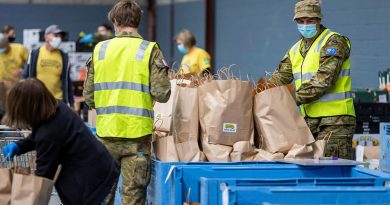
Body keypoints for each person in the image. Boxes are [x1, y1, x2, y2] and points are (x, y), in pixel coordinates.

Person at [83, 0, 171, 204]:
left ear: (115, 20)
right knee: (133, 196)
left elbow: (88, 97)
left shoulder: (100, 50)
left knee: (102, 194)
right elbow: (162, 93)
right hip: (137, 138)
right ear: (138, 20)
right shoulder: (150, 50)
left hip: (106, 134)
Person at [1, 78, 120, 205]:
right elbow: (39, 135)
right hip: (100, 171)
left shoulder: (48, 133)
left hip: (92, 185)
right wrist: (19, 146)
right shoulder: (55, 108)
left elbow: (43, 176)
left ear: (26, 110)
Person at [268, 0, 355, 159]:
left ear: (319, 20)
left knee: (331, 173)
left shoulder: (334, 42)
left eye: (310, 21)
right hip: (308, 124)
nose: (305, 25)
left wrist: (288, 100)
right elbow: (279, 78)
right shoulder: (296, 49)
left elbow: (324, 80)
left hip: (336, 123)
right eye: (301, 21)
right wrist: (258, 97)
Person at [22, 24, 73, 107]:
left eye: (60, 36)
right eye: (55, 35)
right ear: (46, 37)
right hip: (37, 100)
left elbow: (67, 82)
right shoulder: (34, 54)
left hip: (57, 101)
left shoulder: (64, 57)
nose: (58, 39)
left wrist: (71, 103)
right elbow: (25, 76)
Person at [0, 33, 28, 119]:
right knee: (4, 110)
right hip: (2, 85)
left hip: (17, 85)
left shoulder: (20, 49)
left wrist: (22, 70)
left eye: (2, 47)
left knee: (16, 109)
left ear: (7, 44)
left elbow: (31, 63)